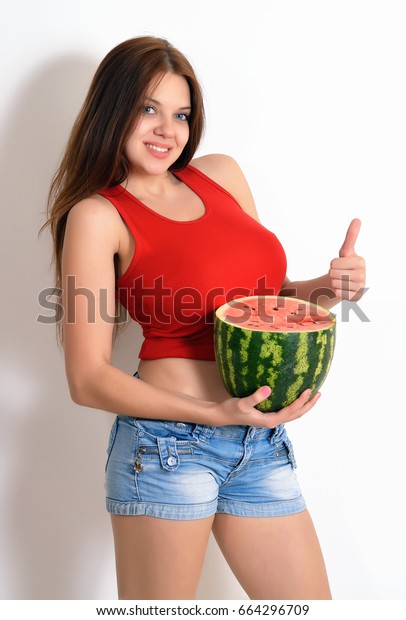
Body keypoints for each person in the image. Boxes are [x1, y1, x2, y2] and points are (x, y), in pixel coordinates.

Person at [43, 36, 366, 600]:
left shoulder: (221, 175)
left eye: (182, 114)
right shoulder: (98, 216)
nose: (168, 130)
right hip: (168, 447)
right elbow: (87, 378)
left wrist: (327, 289)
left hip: (260, 443)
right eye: (148, 109)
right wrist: (209, 412)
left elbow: (261, 306)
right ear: (112, 109)